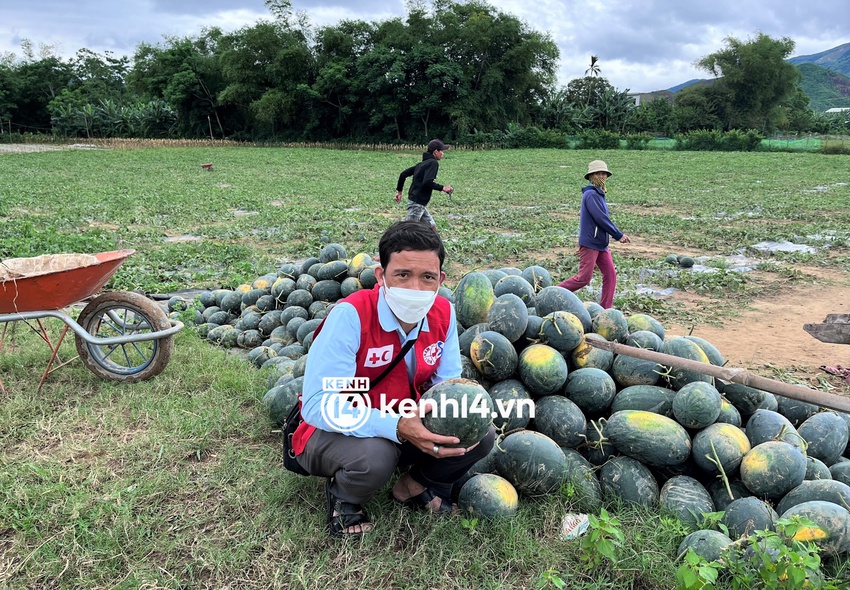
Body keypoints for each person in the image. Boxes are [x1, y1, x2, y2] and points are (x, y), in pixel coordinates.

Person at [292, 220, 495, 537]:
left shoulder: (443, 312)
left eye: (427, 277)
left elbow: (449, 388)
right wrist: (396, 426)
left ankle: (413, 487)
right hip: (330, 430)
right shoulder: (351, 316)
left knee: (478, 431)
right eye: (403, 275)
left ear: (440, 279)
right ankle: (344, 500)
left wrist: (453, 421)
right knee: (377, 455)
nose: (415, 288)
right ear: (381, 276)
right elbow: (319, 405)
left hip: (404, 419)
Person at [558, 160, 631, 309]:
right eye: (598, 173)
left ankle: (606, 309)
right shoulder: (591, 194)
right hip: (590, 243)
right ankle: (551, 293)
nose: (601, 176)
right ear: (591, 176)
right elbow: (600, 218)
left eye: (603, 173)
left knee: (610, 275)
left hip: (601, 244)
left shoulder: (599, 194)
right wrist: (618, 235)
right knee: (584, 278)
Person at [395, 139, 454, 230]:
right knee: (407, 230)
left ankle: (434, 244)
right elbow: (427, 182)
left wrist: (399, 192)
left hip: (417, 201)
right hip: (417, 203)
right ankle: (394, 242)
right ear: (435, 152)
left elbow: (403, 174)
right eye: (441, 151)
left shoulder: (421, 164)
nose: (443, 153)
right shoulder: (433, 163)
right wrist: (443, 188)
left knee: (432, 228)